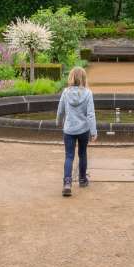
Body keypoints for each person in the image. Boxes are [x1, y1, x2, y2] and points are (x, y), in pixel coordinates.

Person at [56, 66, 97, 197]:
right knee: (82, 154)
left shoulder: (65, 92)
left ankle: (67, 183)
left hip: (69, 129)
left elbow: (60, 110)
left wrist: (58, 121)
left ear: (71, 78)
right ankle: (82, 179)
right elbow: (90, 114)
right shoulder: (88, 93)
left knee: (69, 156)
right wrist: (93, 131)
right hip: (83, 129)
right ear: (83, 78)